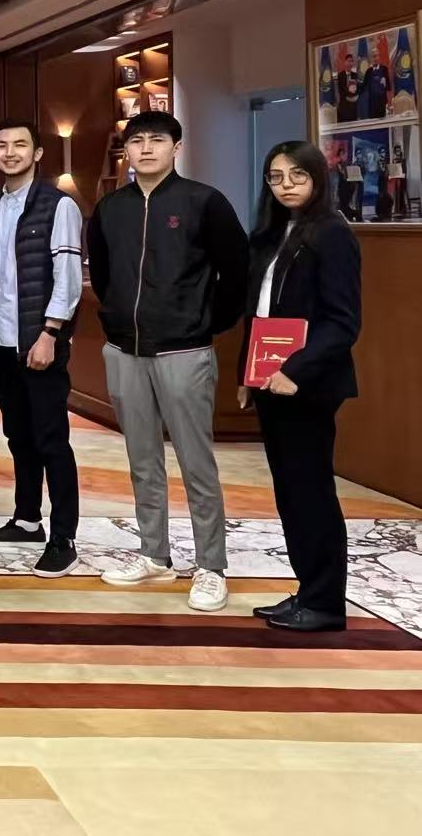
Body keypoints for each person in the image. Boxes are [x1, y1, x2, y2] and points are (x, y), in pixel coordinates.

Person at [87, 111, 249, 611]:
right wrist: (117, 319)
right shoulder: (110, 207)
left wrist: (205, 323)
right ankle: (153, 554)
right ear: (127, 151)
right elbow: (105, 275)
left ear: (176, 147)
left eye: (157, 140)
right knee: (142, 460)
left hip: (185, 350)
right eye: (137, 142)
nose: (146, 149)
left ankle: (211, 566)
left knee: (196, 463)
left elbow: (236, 271)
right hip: (125, 350)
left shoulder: (204, 202)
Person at [238, 141, 360, 632]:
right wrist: (249, 375)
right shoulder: (270, 235)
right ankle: (308, 591)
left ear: (316, 178)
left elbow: (342, 322)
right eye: (276, 176)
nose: (285, 185)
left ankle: (325, 603)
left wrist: (296, 371)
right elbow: (259, 314)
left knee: (310, 492)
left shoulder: (333, 233)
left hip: (308, 385)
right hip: (269, 382)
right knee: (290, 492)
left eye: (297, 175)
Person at [0, 119, 83, 578]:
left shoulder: (59, 205)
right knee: (18, 436)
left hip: (39, 340)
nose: (10, 152)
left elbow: (68, 279)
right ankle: (26, 519)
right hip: (1, 341)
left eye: (20, 145)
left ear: (37, 153)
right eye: (1, 145)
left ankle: (64, 537)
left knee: (51, 440)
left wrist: (50, 333)